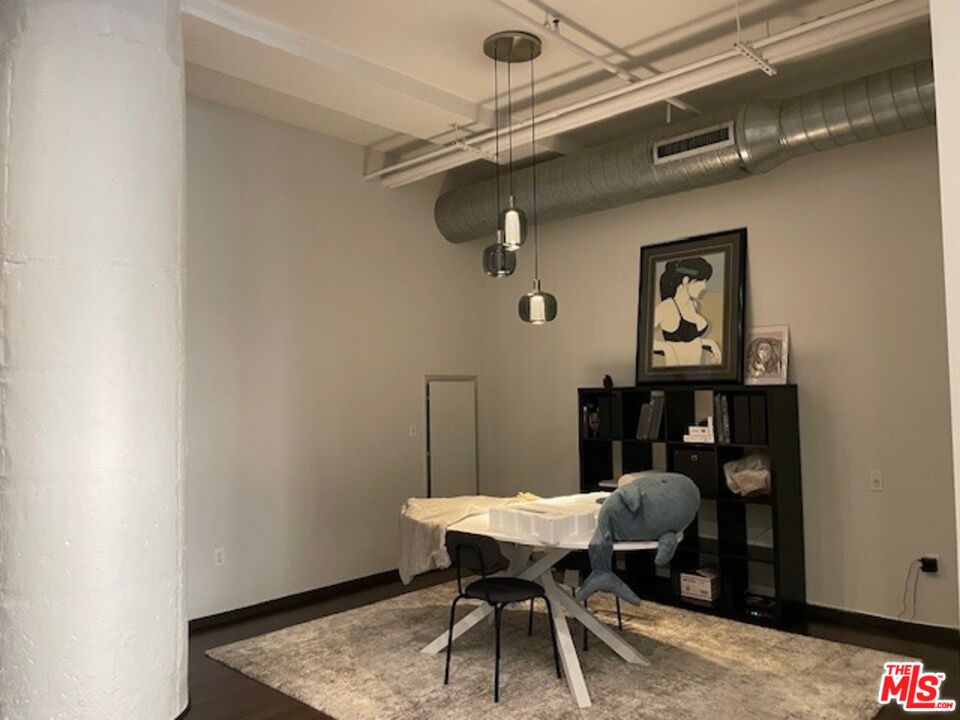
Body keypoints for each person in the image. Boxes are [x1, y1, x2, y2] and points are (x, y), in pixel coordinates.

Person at [652, 256, 721, 366]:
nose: (704, 287)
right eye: (701, 281)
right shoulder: (667, 307)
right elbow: (643, 341)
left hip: (695, 376)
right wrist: (667, 348)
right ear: (686, 280)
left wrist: (711, 344)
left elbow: (689, 343)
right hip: (674, 376)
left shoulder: (694, 305)